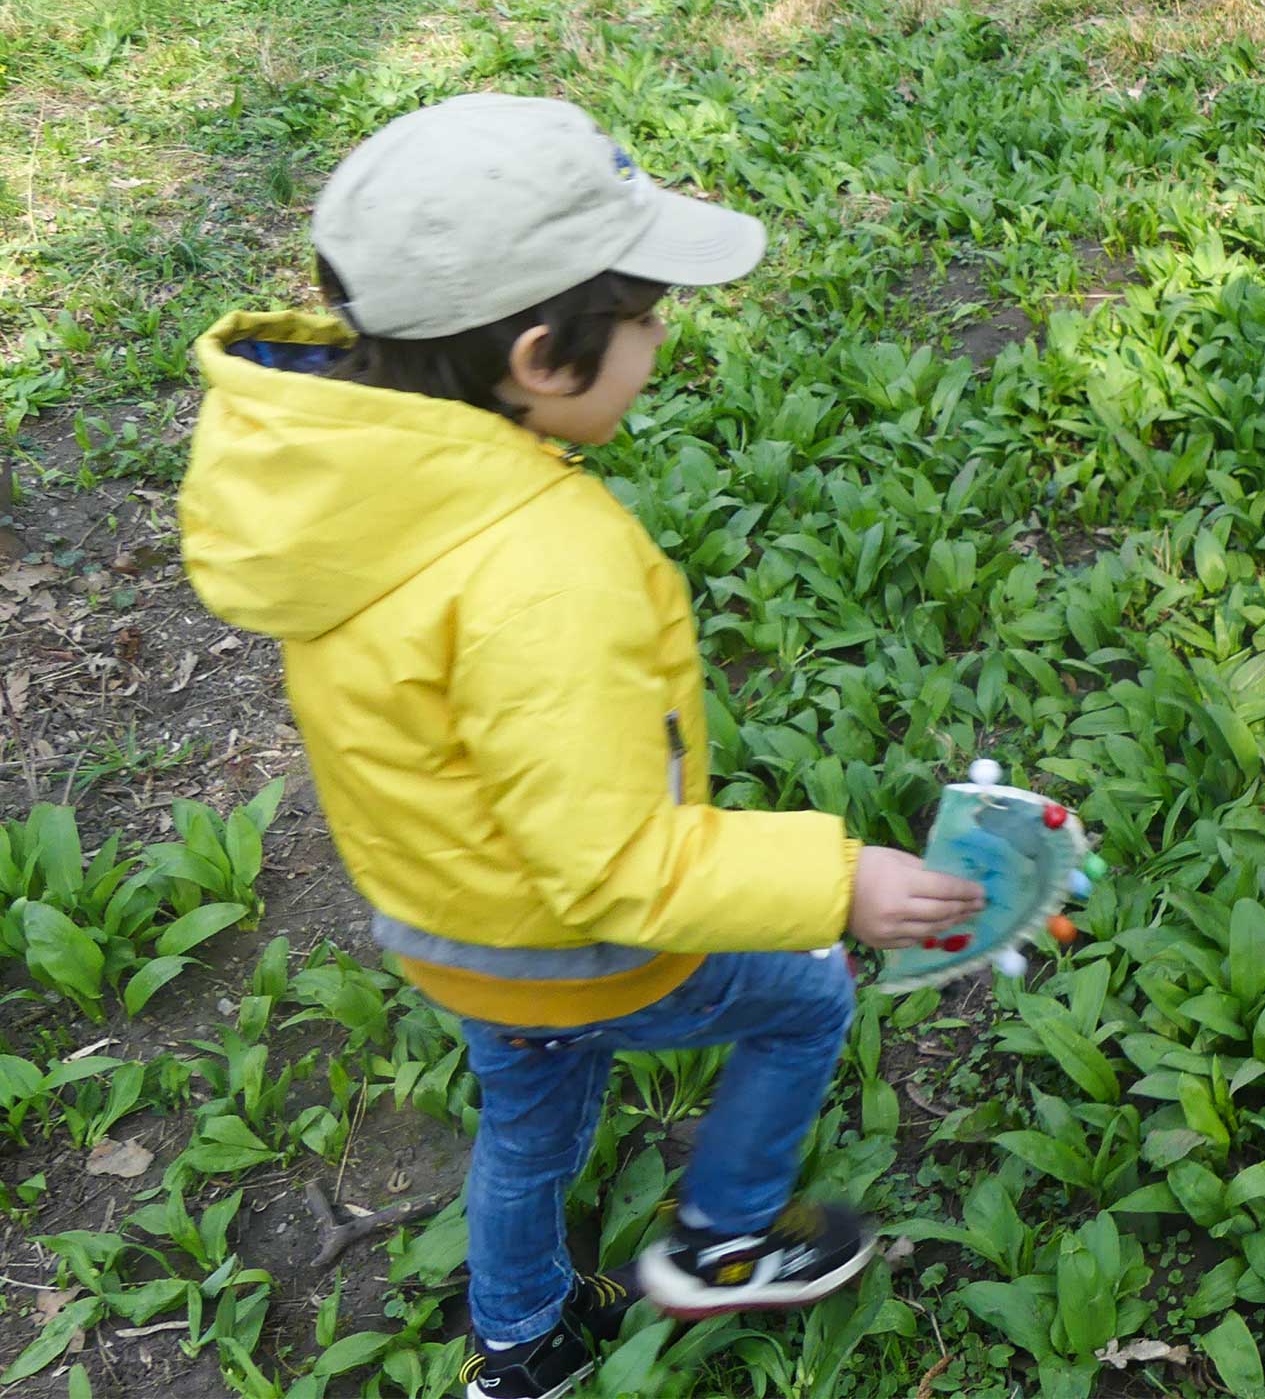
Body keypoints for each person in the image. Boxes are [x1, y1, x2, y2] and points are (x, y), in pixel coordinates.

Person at [179, 96, 985, 1399]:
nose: (663, 337)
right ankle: (721, 1243)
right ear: (545, 357)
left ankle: (519, 1345)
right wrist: (840, 884)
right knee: (809, 995)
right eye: (650, 316)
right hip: (572, 940)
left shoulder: (334, 491)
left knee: (531, 1122)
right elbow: (611, 864)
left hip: (450, 930)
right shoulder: (546, 569)